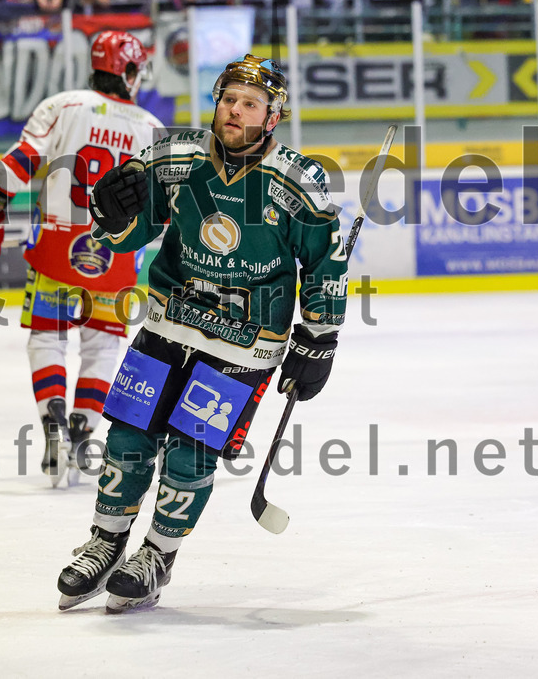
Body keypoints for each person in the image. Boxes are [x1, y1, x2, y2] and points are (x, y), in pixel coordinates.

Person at [56, 55, 348, 612]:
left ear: (272, 117)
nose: (235, 111)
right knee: (128, 436)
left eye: (251, 104)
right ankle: (105, 541)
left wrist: (319, 339)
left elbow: (326, 268)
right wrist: (109, 216)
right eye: (229, 99)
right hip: (171, 317)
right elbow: (122, 237)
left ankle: (157, 555)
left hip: (247, 338)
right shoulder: (172, 156)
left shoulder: (299, 182)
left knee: (191, 450)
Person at [0, 32, 165, 487]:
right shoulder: (152, 128)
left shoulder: (62, 105)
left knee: (47, 339)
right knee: (102, 346)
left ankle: (52, 419)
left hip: (56, 248)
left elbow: (17, 164)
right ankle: (81, 430)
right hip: (116, 256)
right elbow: (163, 211)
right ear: (128, 71)